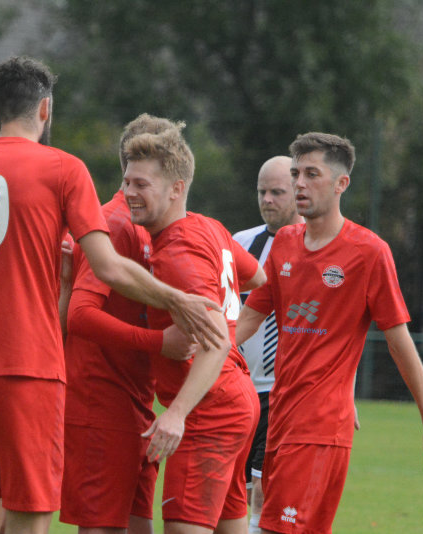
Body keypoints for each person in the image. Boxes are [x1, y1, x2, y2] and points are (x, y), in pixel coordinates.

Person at [0, 56, 225, 534]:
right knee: (29, 518)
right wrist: (176, 300)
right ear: (45, 110)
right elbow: (107, 266)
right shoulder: (63, 169)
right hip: (29, 372)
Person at [236, 132, 423, 534]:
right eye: (296, 174)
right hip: (280, 421)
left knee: (271, 528)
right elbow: (250, 318)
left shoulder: (368, 252)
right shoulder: (286, 243)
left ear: (342, 183)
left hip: (320, 427)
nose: (299, 184)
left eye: (311, 174)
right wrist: (203, 352)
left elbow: (399, 341)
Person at [121, 120, 266, 534]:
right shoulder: (209, 227)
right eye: (127, 181)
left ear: (176, 188)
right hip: (237, 400)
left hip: (209, 411)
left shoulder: (177, 252)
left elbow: (216, 338)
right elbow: (257, 279)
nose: (130, 193)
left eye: (142, 184)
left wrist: (177, 414)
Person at [61, 114, 194, 534]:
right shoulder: (116, 225)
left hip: (135, 401)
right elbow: (79, 315)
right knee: (102, 526)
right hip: (101, 402)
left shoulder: (146, 226)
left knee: (136, 524)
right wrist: (160, 343)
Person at [231, 155, 302, 534]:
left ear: (297, 192)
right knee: (238, 489)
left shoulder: (315, 246)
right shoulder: (241, 243)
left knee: (264, 488)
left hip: (283, 391)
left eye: (277, 192)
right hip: (241, 388)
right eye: (262, 191)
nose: (268, 199)